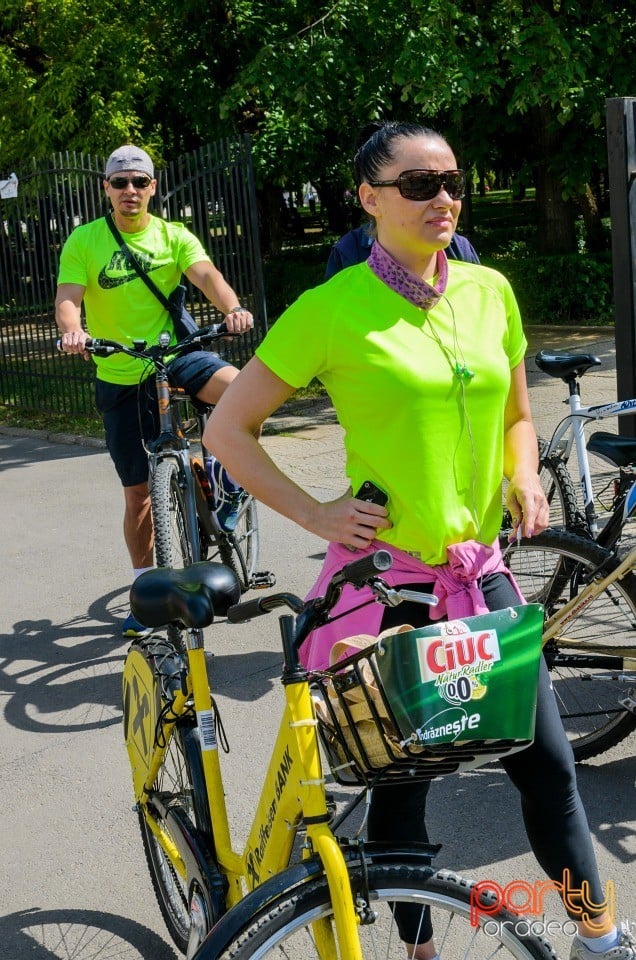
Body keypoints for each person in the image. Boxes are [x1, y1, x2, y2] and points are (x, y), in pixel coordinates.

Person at [204, 121, 634, 960]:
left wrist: (524, 474)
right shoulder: (329, 310)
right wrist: (318, 513)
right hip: (391, 585)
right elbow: (228, 429)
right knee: (408, 787)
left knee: (547, 767)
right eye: (418, 184)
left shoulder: (488, 290)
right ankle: (418, 946)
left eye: (451, 181)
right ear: (369, 199)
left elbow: (516, 413)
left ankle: (600, 937)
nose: (443, 197)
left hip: (481, 575)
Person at [56, 144, 253, 639]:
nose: (129, 191)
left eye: (138, 182)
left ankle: (226, 478)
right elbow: (68, 299)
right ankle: (145, 595)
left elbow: (208, 276)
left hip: (177, 352)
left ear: (152, 188)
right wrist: (72, 330)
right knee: (138, 494)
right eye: (119, 182)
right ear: (106, 188)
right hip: (122, 371)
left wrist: (232, 307)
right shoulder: (85, 240)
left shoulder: (173, 236)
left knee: (241, 391)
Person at [325, 219, 479, 280]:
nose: (444, 200)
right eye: (418, 184)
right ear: (370, 198)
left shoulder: (458, 248)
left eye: (453, 185)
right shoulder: (349, 251)